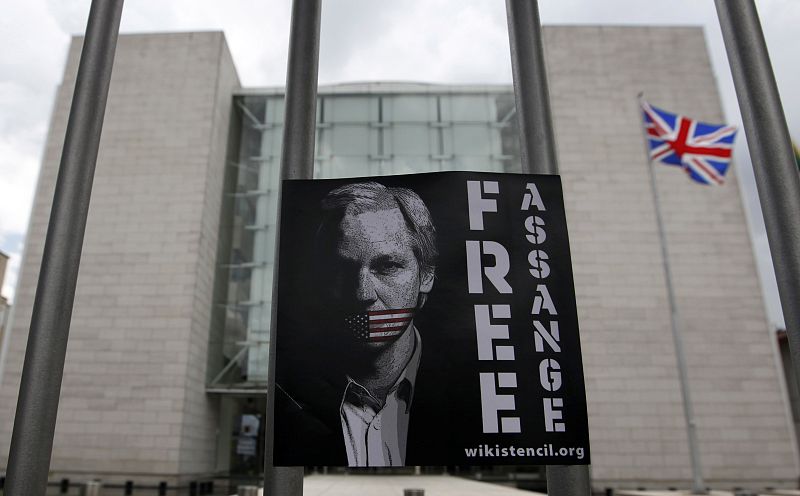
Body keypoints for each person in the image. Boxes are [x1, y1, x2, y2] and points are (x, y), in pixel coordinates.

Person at [274, 181, 439, 467]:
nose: (362, 294)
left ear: (426, 275)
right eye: (341, 269)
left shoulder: (476, 396)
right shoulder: (285, 397)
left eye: (387, 265)